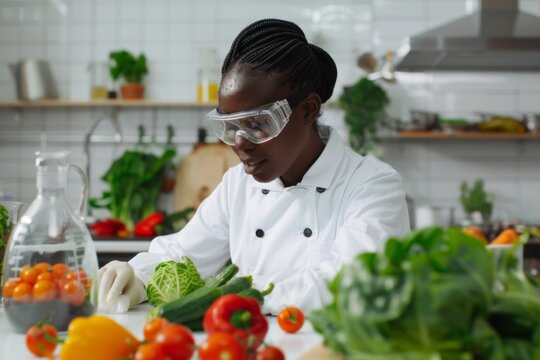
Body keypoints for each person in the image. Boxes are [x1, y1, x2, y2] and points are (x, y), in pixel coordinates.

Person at [98, 18, 410, 315]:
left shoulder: (371, 184)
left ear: (308, 109)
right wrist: (138, 275)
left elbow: (354, 285)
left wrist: (229, 293)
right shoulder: (238, 185)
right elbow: (183, 256)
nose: (240, 143)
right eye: (229, 126)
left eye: (258, 124)